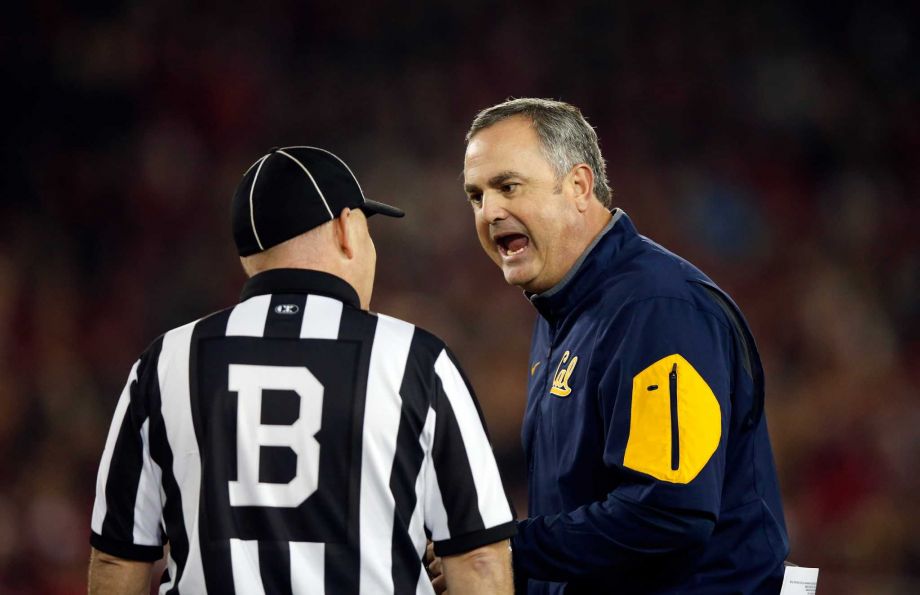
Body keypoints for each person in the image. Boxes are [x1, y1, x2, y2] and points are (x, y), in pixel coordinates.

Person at [88, 146, 516, 594]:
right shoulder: (417, 360)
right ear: (347, 229)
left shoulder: (165, 361)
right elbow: (480, 558)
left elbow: (118, 557)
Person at [457, 99, 789, 593]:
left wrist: (509, 553)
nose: (490, 211)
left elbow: (670, 512)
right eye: (476, 196)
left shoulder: (658, 309)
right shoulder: (565, 310)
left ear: (578, 187)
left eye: (508, 186)